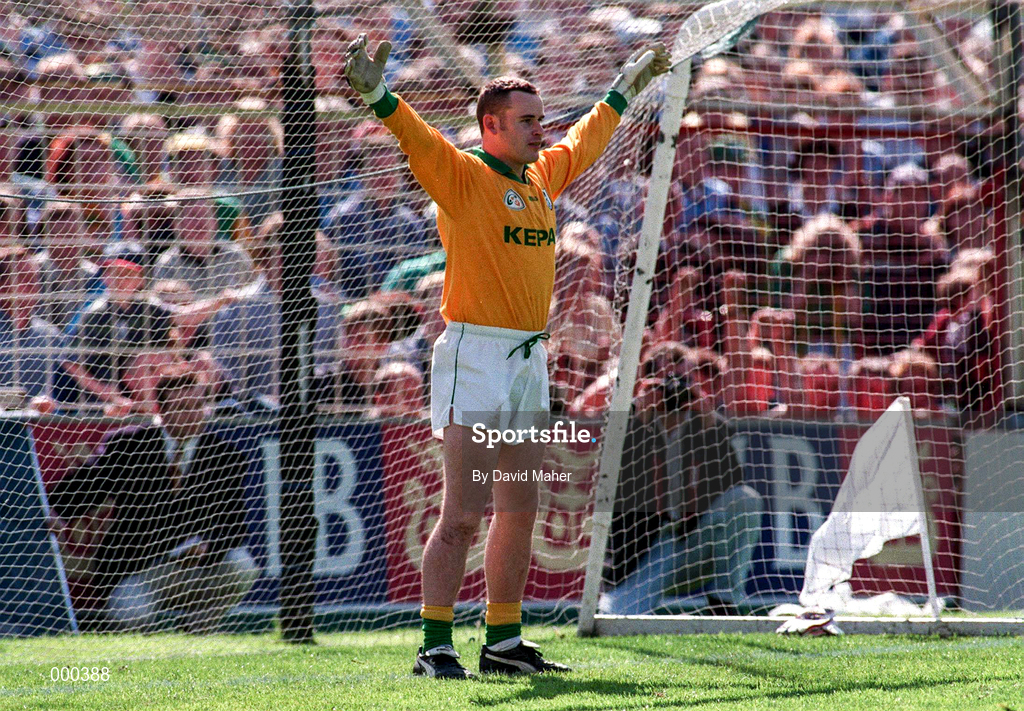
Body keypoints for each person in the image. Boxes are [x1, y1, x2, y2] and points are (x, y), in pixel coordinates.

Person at [344, 32, 669, 677]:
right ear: (490, 126)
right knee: (463, 510)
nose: (540, 132)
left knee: (520, 508)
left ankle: (502, 639)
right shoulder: (463, 176)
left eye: (541, 120)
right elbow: (416, 137)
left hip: (527, 359)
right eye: (527, 121)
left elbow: (585, 139)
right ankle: (435, 646)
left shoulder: (542, 177)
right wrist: (376, 93)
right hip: (474, 356)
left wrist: (625, 88)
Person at [46, 368, 258, 632]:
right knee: (130, 618)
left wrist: (207, 547)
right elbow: (87, 485)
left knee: (242, 565)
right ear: (162, 411)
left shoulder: (226, 455)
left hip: (194, 569)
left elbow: (235, 526)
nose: (192, 414)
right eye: (181, 407)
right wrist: (55, 512)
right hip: (140, 570)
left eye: (197, 406)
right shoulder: (130, 445)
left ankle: (200, 630)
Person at [600, 373, 763, 616]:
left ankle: (723, 603)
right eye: (661, 386)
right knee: (613, 617)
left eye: (682, 386)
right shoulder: (631, 426)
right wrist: (639, 422)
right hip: (646, 551)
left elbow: (733, 480)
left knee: (745, 499)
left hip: (693, 541)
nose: (672, 394)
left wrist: (710, 422)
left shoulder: (702, 427)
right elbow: (613, 478)